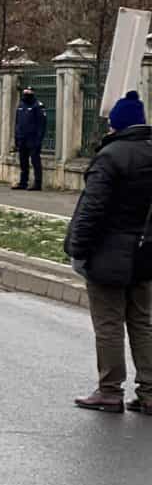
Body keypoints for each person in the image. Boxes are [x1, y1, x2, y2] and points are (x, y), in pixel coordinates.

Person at [66, 91, 152, 414]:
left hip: (108, 255)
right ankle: (150, 391)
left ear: (117, 124)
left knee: (109, 324)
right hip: (145, 255)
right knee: (142, 323)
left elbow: (91, 210)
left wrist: (78, 250)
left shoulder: (111, 157)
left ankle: (109, 390)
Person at [14, 85, 47, 190]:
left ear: (32, 94)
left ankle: (38, 184)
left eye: (28, 93)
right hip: (22, 138)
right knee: (23, 162)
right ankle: (23, 182)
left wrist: (39, 139)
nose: (26, 95)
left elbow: (42, 124)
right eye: (25, 93)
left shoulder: (38, 106)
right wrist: (16, 137)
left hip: (33, 139)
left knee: (35, 162)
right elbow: (17, 123)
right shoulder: (20, 105)